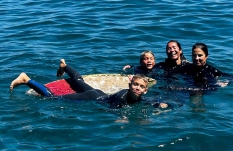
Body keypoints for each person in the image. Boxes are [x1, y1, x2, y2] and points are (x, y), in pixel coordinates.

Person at [10, 59, 168, 109]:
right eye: (135, 85)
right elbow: (114, 108)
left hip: (99, 93)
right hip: (93, 98)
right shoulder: (122, 96)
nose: (137, 88)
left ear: (145, 90)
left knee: (78, 80)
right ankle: (27, 80)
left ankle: (65, 67)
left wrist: (159, 104)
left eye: (140, 87)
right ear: (129, 85)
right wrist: (121, 117)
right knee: (54, 98)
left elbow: (146, 101)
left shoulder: (139, 97)